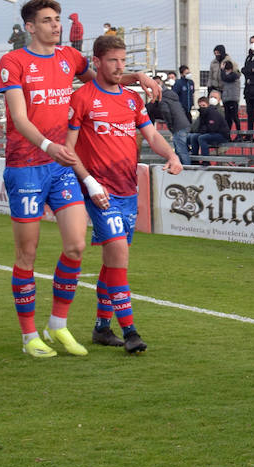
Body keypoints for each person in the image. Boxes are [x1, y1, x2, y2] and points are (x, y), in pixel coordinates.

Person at [0, 0, 157, 359]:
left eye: (57, 19)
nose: (56, 25)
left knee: (76, 246)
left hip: (61, 167)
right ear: (30, 27)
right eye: (47, 20)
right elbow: (19, 118)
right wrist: (48, 145)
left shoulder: (69, 57)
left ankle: (58, 325)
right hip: (26, 165)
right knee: (27, 253)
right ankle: (29, 336)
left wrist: (137, 77)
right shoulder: (13, 61)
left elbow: (104, 79)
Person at [67, 34, 182, 355]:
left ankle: (102, 327)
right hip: (100, 192)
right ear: (97, 62)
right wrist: (90, 183)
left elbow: (152, 136)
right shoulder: (82, 98)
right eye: (113, 61)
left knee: (113, 262)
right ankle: (130, 331)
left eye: (123, 61)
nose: (120, 67)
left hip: (127, 189)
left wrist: (171, 155)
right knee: (118, 255)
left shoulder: (132, 99)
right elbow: (68, 149)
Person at [148, 80, 192, 166]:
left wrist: (170, 126)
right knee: (181, 149)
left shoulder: (163, 100)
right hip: (184, 123)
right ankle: (184, 166)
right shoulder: (172, 96)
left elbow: (166, 113)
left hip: (177, 126)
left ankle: (186, 168)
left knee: (181, 150)